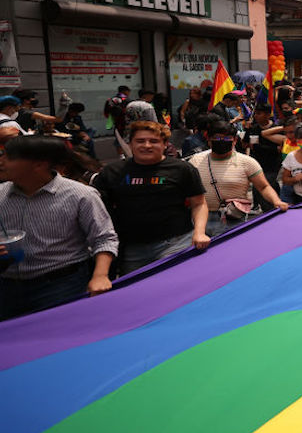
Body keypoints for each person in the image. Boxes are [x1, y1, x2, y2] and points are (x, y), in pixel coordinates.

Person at [0, 136, 118, 320]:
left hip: (60, 285)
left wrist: (100, 276)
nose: (2, 161)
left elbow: (104, 239)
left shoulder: (80, 195)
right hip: (7, 287)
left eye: (9, 157)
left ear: (38, 164)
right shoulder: (1, 195)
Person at [92, 121, 209, 275]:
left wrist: (199, 232)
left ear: (165, 144)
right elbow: (98, 211)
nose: (147, 145)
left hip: (175, 243)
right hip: (131, 248)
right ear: (130, 143)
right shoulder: (111, 172)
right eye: (140, 141)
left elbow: (199, 204)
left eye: (154, 141)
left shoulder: (182, 169)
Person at [188, 120, 287, 236]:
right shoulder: (195, 161)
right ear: (208, 139)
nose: (222, 142)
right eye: (217, 138)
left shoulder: (247, 162)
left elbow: (264, 187)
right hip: (202, 219)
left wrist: (276, 201)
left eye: (226, 139)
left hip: (234, 218)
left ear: (235, 140)